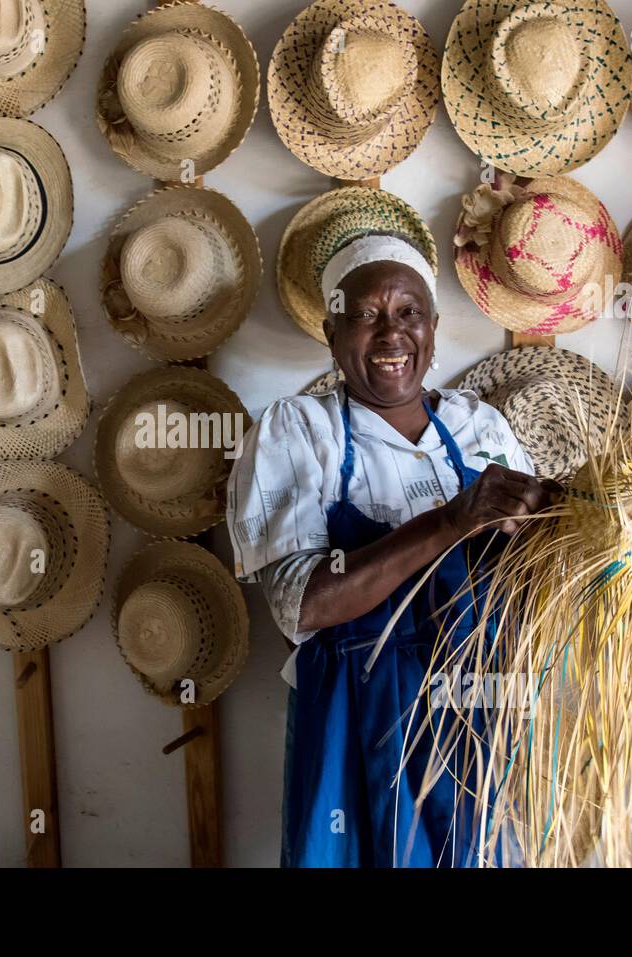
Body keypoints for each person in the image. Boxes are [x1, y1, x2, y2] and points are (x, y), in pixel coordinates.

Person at [227, 231, 556, 868]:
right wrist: (450, 521)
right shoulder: (300, 430)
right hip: (360, 712)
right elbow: (305, 606)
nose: (390, 335)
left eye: (408, 313)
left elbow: (529, 574)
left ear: (433, 326)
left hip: (478, 704)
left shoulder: (478, 426)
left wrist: (575, 523)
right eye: (365, 316)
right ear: (331, 333)